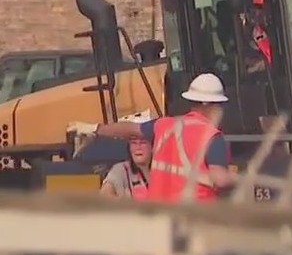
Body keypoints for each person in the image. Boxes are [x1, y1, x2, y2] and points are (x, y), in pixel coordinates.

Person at [92, 73, 236, 202]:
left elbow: (131, 128)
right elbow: (220, 180)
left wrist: (96, 129)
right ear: (211, 105)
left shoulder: (165, 125)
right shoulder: (212, 136)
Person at [99, 113, 152, 199]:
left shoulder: (164, 168)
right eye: (134, 143)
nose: (138, 147)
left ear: (152, 146)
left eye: (143, 142)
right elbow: (105, 195)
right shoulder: (120, 169)